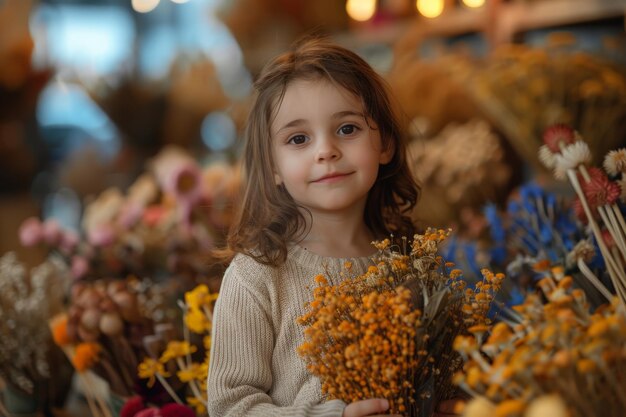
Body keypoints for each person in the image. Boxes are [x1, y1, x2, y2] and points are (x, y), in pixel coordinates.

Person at [207, 36, 460, 417]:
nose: (326, 150)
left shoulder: (415, 262)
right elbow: (231, 407)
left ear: (386, 144)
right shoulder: (256, 277)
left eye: (347, 129)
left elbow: (445, 370)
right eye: (298, 138)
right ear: (273, 167)